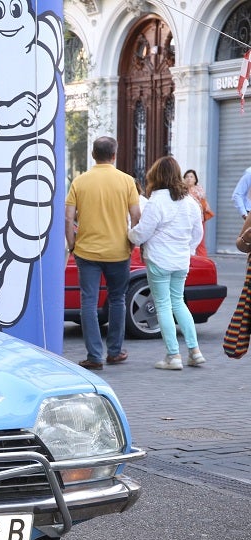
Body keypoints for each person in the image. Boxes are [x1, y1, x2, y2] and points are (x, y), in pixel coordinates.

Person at [65, 136, 142, 370]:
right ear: (114, 155)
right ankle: (115, 352)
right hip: (118, 251)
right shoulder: (127, 181)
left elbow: (68, 217)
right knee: (118, 299)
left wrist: (72, 244)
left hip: (86, 252)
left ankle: (94, 356)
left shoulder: (80, 181)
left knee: (88, 301)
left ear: (92, 155)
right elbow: (137, 216)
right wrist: (132, 243)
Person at [128, 157, 205, 370]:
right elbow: (198, 232)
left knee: (162, 305)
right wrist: (187, 249)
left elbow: (142, 233)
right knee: (178, 302)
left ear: (156, 175)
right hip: (181, 260)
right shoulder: (190, 202)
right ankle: (195, 351)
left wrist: (130, 235)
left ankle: (173, 356)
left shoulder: (156, 201)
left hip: (159, 260)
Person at [183, 169, 213, 256]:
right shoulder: (181, 191)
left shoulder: (199, 191)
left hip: (198, 219)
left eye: (191, 177)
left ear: (195, 179)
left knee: (199, 241)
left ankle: (202, 261)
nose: (189, 179)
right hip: (185, 219)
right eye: (187, 177)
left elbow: (204, 206)